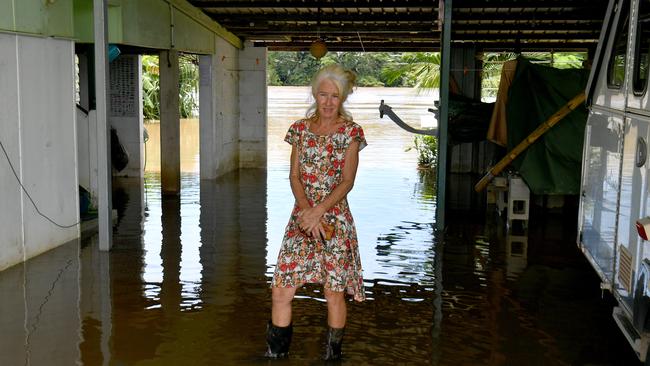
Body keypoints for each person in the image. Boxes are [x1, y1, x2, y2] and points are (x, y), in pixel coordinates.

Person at [266, 64, 367, 360]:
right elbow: (294, 176)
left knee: (333, 291)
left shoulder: (351, 133)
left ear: (343, 98)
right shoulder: (299, 129)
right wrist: (307, 213)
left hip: (334, 221)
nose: (327, 102)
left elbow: (347, 181)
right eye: (323, 94)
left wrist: (319, 212)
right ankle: (276, 354)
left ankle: (333, 355)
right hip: (302, 219)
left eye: (334, 96)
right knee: (282, 289)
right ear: (314, 94)